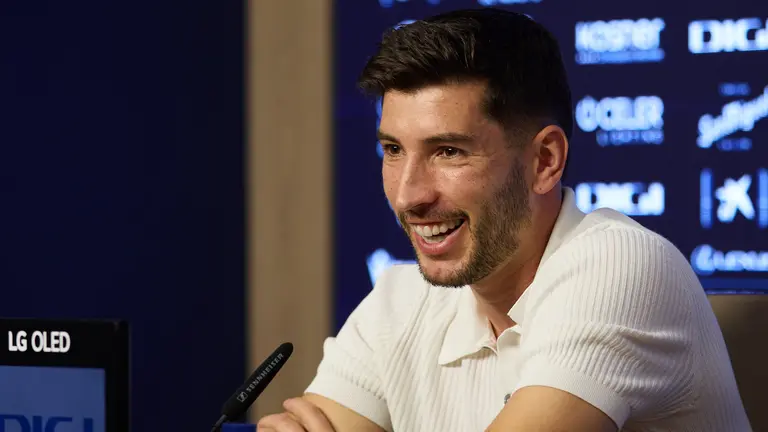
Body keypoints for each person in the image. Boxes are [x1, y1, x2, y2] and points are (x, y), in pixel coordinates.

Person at [257, 8, 751, 432]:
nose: (408, 195)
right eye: (392, 150)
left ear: (544, 162)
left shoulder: (622, 263)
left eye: (448, 151)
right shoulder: (398, 301)